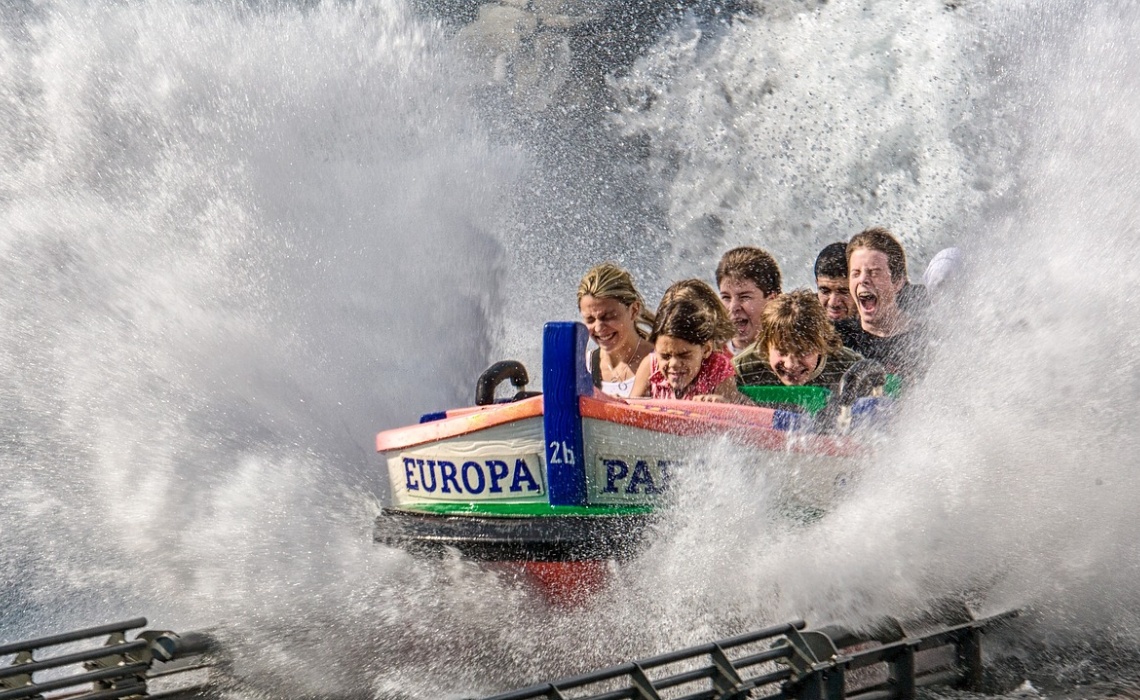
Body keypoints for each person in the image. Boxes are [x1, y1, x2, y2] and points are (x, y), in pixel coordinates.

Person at [836, 227, 928, 377]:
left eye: (874, 272)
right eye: (856, 273)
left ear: (898, 282)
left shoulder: (925, 340)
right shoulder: (839, 339)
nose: (863, 280)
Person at [631, 285, 744, 402]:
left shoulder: (716, 369)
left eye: (684, 355)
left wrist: (723, 406)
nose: (674, 363)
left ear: (706, 349)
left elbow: (741, 413)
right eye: (665, 356)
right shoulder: (651, 366)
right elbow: (631, 410)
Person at [735, 290, 863, 390]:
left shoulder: (850, 369)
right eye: (782, 351)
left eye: (802, 352)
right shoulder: (742, 370)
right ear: (765, 346)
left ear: (821, 346)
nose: (790, 365)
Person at [577, 263, 655, 398]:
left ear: (634, 310)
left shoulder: (664, 364)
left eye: (608, 317)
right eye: (590, 320)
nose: (599, 328)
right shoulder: (582, 366)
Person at [715, 247, 782, 356]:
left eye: (744, 297)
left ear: (772, 301)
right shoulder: (704, 356)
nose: (733, 307)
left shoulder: (792, 358)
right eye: (726, 297)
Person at [813, 242, 858, 323]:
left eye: (843, 292)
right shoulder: (801, 320)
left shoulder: (881, 325)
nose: (833, 303)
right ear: (817, 284)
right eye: (825, 291)